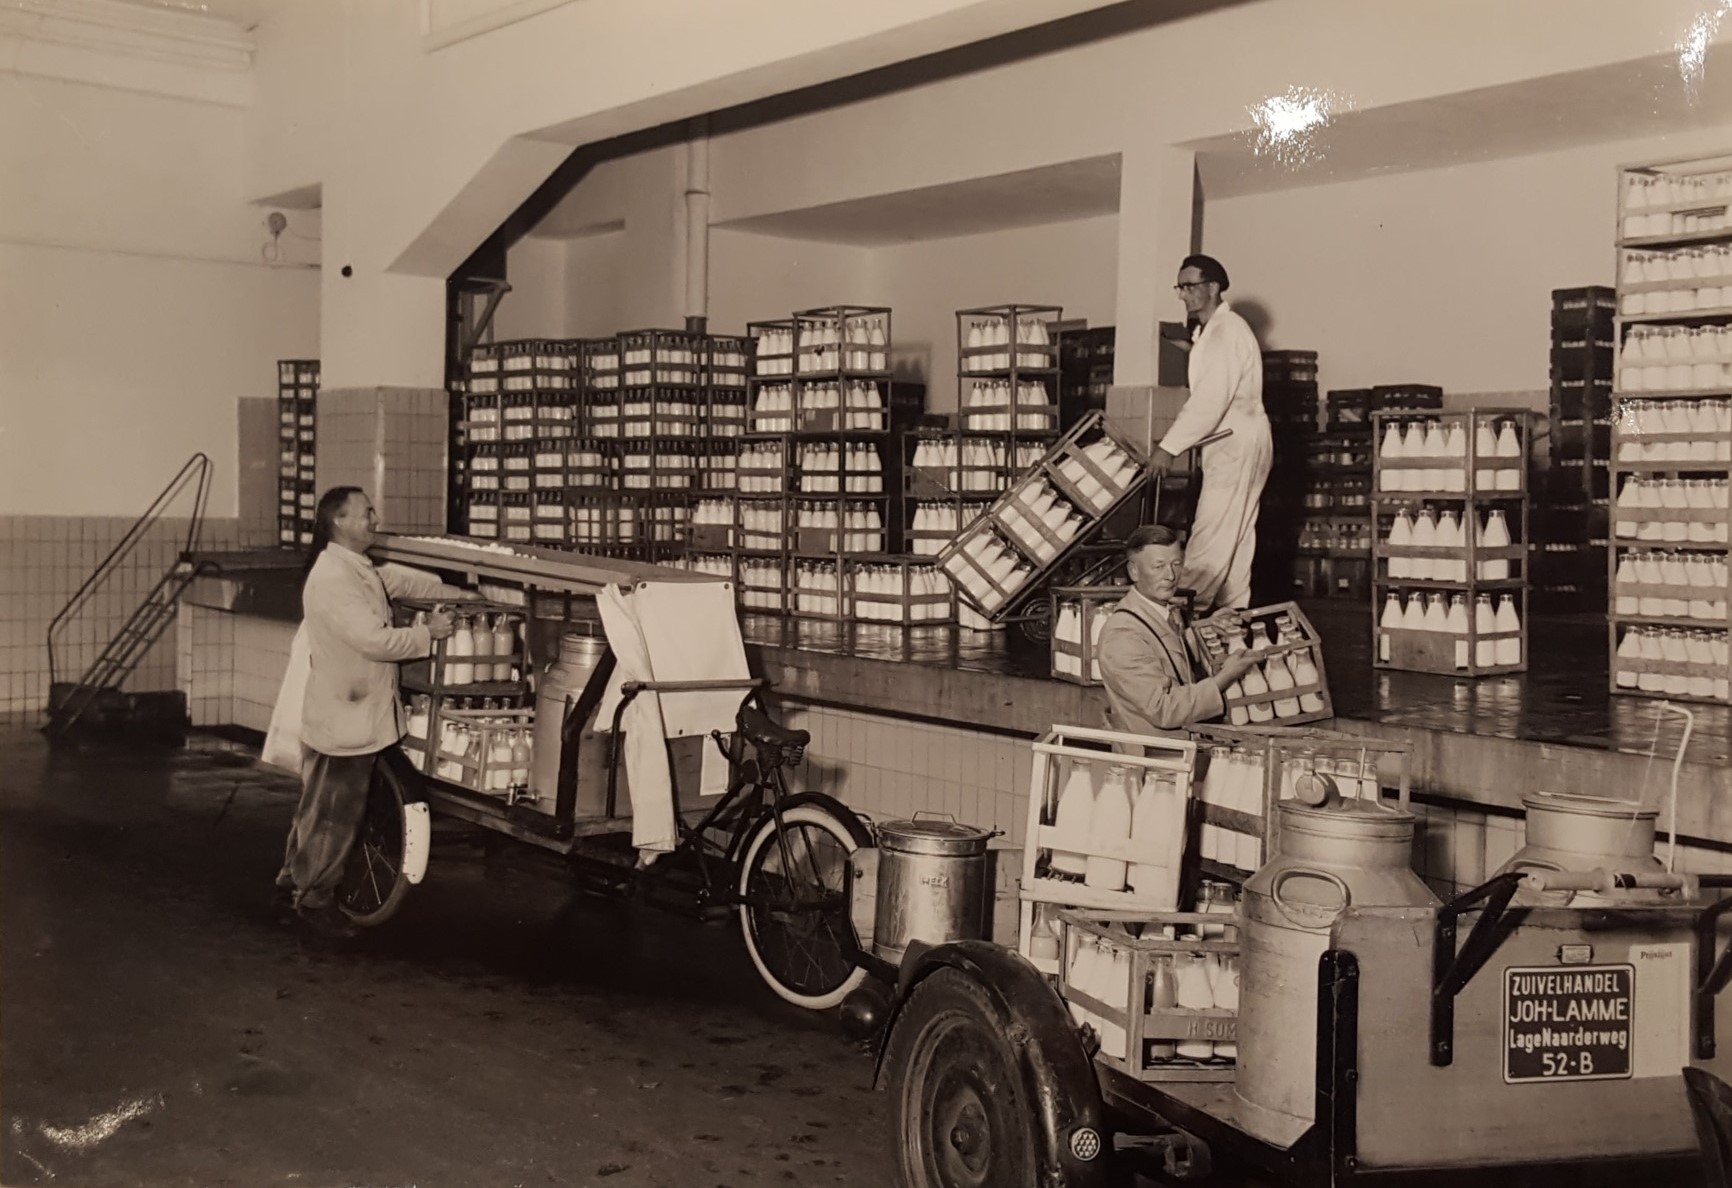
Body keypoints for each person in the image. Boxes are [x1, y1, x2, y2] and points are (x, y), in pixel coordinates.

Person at [275, 486, 459, 940]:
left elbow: (396, 581)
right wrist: (428, 635)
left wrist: (462, 591)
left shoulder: (354, 569)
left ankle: (292, 882)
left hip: (348, 709)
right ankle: (314, 900)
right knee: (335, 813)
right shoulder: (333, 579)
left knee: (318, 807)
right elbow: (374, 640)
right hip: (346, 716)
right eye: (366, 513)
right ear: (340, 522)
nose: (374, 519)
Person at [1150, 254, 1273, 613]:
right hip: (1236, 439)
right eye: (1180, 287)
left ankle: (1184, 611)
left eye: (1190, 286)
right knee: (1234, 535)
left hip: (1236, 440)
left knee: (1212, 531)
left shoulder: (1227, 330)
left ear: (1214, 287)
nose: (1182, 295)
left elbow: (1210, 400)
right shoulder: (1211, 332)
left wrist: (1168, 447)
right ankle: (1230, 617)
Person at [1098, 525, 1258, 736]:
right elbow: (1164, 710)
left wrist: (1206, 629)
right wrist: (1226, 676)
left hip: (1182, 748)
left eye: (1176, 564)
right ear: (1134, 571)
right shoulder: (1122, 634)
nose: (1171, 576)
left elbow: (1169, 654)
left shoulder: (1163, 613)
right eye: (1159, 566)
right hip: (1155, 757)